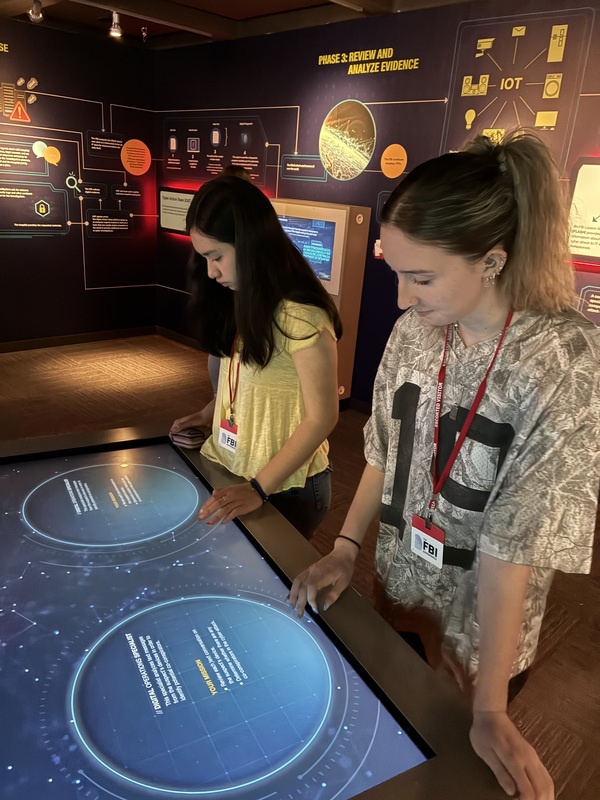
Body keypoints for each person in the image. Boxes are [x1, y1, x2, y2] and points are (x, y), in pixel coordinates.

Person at [290, 129, 600, 800]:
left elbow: (516, 540)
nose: (401, 298)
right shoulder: (415, 328)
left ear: (490, 261)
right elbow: (384, 449)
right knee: (389, 750)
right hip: (397, 587)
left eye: (421, 276)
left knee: (452, 772)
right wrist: (346, 548)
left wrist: (489, 705)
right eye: (394, 270)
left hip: (482, 627)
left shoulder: (564, 360)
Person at [171, 175, 342, 540]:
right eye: (204, 259)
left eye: (217, 257)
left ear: (250, 244)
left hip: (283, 487)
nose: (211, 271)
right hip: (232, 465)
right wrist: (208, 415)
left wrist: (259, 489)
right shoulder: (238, 297)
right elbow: (247, 385)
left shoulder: (301, 316)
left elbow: (322, 416)